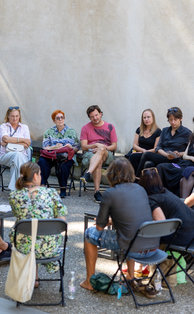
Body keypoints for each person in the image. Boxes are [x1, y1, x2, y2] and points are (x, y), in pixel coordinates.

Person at [80, 158, 159, 294]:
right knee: (130, 232)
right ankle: (130, 275)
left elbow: (99, 228)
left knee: (89, 233)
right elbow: (133, 217)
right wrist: (113, 219)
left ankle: (89, 281)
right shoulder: (140, 189)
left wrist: (104, 220)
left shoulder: (110, 193)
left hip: (130, 246)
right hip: (151, 246)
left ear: (111, 174)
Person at [9, 162, 67, 285]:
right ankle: (34, 277)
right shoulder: (51, 193)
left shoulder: (14, 196)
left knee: (29, 232)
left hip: (24, 248)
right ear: (35, 176)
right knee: (40, 234)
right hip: (49, 248)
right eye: (40, 174)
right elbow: (62, 223)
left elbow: (18, 216)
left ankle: (33, 278)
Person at [140, 167, 194, 247]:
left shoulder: (152, 200)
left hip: (182, 237)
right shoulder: (165, 192)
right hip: (191, 233)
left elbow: (161, 222)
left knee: (142, 235)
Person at [136, 107, 191, 177]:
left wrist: (179, 154)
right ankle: (144, 182)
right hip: (164, 156)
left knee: (146, 155)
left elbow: (190, 151)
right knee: (148, 164)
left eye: (175, 119)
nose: (173, 122)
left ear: (181, 119)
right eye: (170, 120)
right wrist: (166, 155)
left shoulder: (187, 133)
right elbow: (158, 148)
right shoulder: (165, 131)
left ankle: (137, 178)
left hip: (176, 160)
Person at [38, 110, 80, 198]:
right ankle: (42, 186)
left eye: (62, 117)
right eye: (58, 118)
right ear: (54, 120)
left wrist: (71, 147)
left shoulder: (71, 132)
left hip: (66, 156)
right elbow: (45, 147)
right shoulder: (48, 132)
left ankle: (63, 188)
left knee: (64, 166)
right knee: (42, 161)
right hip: (51, 156)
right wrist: (55, 147)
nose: (60, 119)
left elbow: (77, 147)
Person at [80, 105, 117, 202]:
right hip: (89, 154)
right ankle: (97, 191)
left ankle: (88, 173)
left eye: (96, 115)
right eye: (92, 117)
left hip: (107, 154)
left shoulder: (110, 127)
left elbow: (114, 146)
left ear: (100, 114)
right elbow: (83, 146)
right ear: (89, 117)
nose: (95, 118)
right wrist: (94, 145)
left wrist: (103, 147)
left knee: (101, 149)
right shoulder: (85, 128)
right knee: (98, 161)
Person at [0, 106, 31, 191]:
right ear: (8, 116)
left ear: (19, 116)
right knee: (17, 155)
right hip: (5, 156)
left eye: (17, 116)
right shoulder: (3, 126)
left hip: (22, 157)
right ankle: (23, 186)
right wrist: (22, 140)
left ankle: (15, 190)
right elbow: (5, 139)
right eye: (12, 116)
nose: (15, 118)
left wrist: (9, 141)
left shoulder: (24, 127)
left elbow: (27, 143)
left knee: (16, 161)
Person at [127, 109, 161, 174]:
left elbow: (155, 149)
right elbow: (134, 145)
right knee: (130, 157)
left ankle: (136, 179)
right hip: (139, 151)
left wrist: (144, 152)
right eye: (144, 117)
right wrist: (142, 151)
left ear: (153, 118)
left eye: (148, 117)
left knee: (134, 156)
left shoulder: (158, 131)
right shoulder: (139, 129)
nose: (146, 119)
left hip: (150, 154)